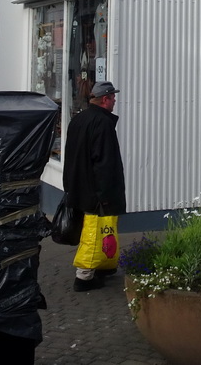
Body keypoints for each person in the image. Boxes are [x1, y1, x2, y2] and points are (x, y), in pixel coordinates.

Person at [62, 80, 126, 292]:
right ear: (105, 99)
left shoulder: (78, 119)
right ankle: (85, 276)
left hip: (79, 185)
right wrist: (105, 194)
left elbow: (72, 155)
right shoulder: (103, 123)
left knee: (97, 228)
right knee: (93, 230)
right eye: (113, 97)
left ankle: (104, 266)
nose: (115, 100)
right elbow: (105, 162)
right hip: (96, 190)